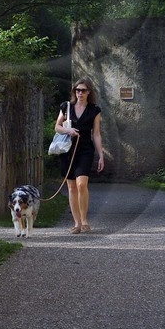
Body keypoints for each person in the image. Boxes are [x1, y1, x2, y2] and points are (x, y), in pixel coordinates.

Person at [55, 80, 105, 233]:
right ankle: (76, 223)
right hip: (67, 149)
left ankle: (84, 220)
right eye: (77, 90)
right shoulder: (66, 107)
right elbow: (57, 126)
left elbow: (96, 134)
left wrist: (101, 155)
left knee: (81, 184)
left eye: (83, 90)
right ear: (74, 92)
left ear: (89, 92)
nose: (80, 93)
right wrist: (68, 131)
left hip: (85, 149)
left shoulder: (94, 110)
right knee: (71, 187)